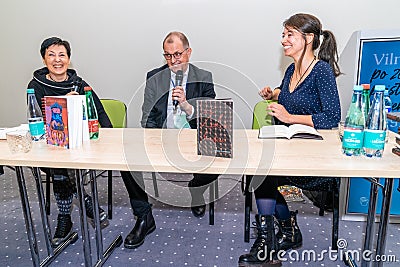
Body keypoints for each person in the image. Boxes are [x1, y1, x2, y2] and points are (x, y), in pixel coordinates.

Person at [238, 13, 341, 266]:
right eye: (283, 34)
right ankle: (287, 231)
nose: (283, 39)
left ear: (308, 38)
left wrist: (291, 117)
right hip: (289, 151)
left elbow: (332, 116)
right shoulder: (291, 70)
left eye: (289, 34)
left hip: (314, 159)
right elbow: (288, 94)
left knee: (267, 175)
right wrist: (273, 93)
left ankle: (269, 244)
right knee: (262, 172)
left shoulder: (322, 71)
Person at [121, 31, 219, 249]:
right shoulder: (154, 76)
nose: (173, 61)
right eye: (168, 56)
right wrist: (153, 139)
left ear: (188, 52)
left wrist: (187, 106)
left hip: (193, 137)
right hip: (162, 136)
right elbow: (148, 113)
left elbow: (209, 117)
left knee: (218, 158)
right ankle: (144, 216)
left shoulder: (204, 76)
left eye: (178, 55)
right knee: (127, 161)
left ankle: (197, 188)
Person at [27, 37, 112, 247]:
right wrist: (65, 102)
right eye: (51, 55)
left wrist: (112, 137)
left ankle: (65, 217)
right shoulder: (35, 86)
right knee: (59, 167)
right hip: (51, 145)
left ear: (69, 59)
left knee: (65, 168)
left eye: (62, 55)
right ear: (44, 59)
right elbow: (39, 119)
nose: (57, 60)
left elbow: (98, 111)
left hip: (78, 145)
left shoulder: (79, 83)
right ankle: (83, 201)